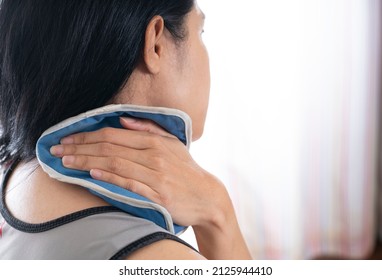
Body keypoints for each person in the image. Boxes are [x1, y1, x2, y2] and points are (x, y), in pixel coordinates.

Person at [0, 0, 251, 260]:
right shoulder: (162, 260)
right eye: (200, 32)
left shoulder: (12, 178)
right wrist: (219, 216)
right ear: (155, 43)